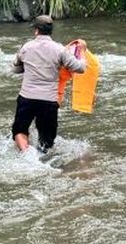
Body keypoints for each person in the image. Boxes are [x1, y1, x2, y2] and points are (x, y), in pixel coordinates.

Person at [10, 15, 86, 154]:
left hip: (27, 97)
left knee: (19, 130)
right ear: (50, 31)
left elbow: (16, 69)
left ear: (36, 31)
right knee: (47, 140)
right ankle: (40, 158)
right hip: (49, 100)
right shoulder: (60, 50)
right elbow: (80, 68)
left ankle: (26, 154)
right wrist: (82, 52)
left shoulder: (26, 47)